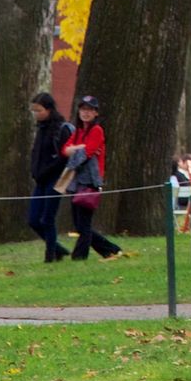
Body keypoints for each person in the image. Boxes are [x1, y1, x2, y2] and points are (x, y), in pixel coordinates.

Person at [61, 95, 121, 260]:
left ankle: (80, 256)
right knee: (79, 223)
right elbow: (65, 150)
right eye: (83, 109)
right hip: (76, 182)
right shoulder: (78, 131)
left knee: (84, 223)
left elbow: (85, 154)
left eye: (90, 110)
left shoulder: (97, 130)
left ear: (96, 113)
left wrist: (76, 149)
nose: (86, 113)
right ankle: (110, 249)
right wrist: (79, 148)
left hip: (89, 182)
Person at [27, 92, 71, 262]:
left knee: (48, 218)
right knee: (33, 219)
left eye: (38, 110)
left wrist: (47, 170)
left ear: (48, 109)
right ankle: (58, 249)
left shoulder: (60, 129)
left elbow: (63, 158)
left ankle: (51, 254)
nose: (36, 114)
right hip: (40, 180)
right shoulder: (40, 129)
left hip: (55, 179)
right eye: (34, 111)